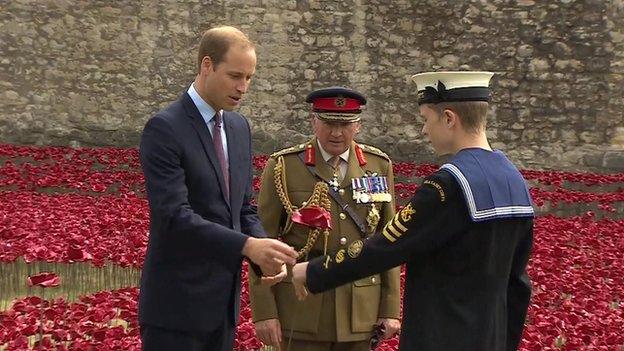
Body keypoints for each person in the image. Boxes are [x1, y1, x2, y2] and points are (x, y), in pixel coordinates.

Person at [292, 72, 534, 351]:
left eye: (426, 119)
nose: (424, 130)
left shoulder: (448, 185)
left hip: (442, 337)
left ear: (449, 118)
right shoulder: (513, 180)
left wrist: (313, 272)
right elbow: (518, 285)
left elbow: (386, 246)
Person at [138, 26, 297, 351]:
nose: (243, 88)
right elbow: (174, 217)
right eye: (235, 75)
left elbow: (242, 208)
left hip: (222, 309)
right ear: (207, 65)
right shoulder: (165, 128)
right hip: (175, 310)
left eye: (250, 78)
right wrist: (247, 246)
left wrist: (265, 249)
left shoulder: (238, 128)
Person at [249, 87, 401, 351]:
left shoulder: (378, 166)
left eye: (345, 124)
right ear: (313, 121)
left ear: (358, 126)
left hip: (360, 310)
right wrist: (265, 312)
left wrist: (390, 308)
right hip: (302, 307)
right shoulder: (284, 167)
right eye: (329, 123)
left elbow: (388, 241)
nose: (337, 133)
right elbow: (263, 243)